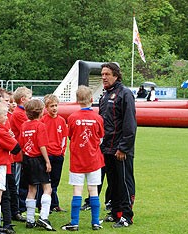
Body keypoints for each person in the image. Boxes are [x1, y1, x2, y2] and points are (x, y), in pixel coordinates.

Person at [61, 86, 104, 231]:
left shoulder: (72, 117)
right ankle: (96, 222)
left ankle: (74, 222)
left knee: (77, 191)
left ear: (77, 100)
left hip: (77, 160)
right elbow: (101, 138)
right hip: (94, 160)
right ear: (92, 99)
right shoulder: (98, 118)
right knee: (93, 190)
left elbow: (70, 136)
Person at [99, 63, 136, 228]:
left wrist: (123, 147)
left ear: (116, 75)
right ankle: (115, 213)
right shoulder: (104, 96)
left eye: (107, 74)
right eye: (102, 74)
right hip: (106, 148)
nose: (104, 77)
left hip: (121, 149)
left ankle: (127, 216)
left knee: (124, 182)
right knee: (113, 183)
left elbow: (129, 124)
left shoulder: (125, 94)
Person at [19, 99, 55, 231]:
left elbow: (22, 144)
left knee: (31, 189)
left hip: (27, 159)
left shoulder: (24, 126)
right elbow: (42, 145)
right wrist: (47, 160)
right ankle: (44, 217)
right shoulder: (40, 126)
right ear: (41, 112)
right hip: (38, 159)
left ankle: (30, 219)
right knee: (47, 188)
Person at [0, 102, 22, 234]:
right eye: (4, 115)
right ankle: (5, 224)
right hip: (2, 165)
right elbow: (16, 148)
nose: (7, 117)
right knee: (3, 196)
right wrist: (10, 137)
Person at [39, 94, 68, 212]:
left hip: (58, 155)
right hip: (47, 154)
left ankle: (54, 204)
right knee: (46, 181)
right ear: (46, 107)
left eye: (56, 105)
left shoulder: (61, 120)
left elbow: (64, 138)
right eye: (51, 106)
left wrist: (62, 151)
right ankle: (43, 204)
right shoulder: (43, 120)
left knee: (55, 181)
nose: (54, 108)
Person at [9, 86, 32, 218]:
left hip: (20, 152)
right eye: (29, 98)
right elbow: (27, 128)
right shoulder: (19, 114)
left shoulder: (19, 112)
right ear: (23, 100)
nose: (31, 100)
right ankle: (15, 210)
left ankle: (18, 208)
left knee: (20, 182)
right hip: (17, 154)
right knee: (16, 183)